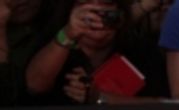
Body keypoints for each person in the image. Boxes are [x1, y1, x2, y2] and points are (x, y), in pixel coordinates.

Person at [24, 0, 168, 103]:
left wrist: (99, 97)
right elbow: (34, 86)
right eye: (87, 6)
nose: (98, 17)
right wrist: (68, 34)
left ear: (122, 15)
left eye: (107, 5)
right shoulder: (54, 44)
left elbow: (163, 105)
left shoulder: (140, 49)